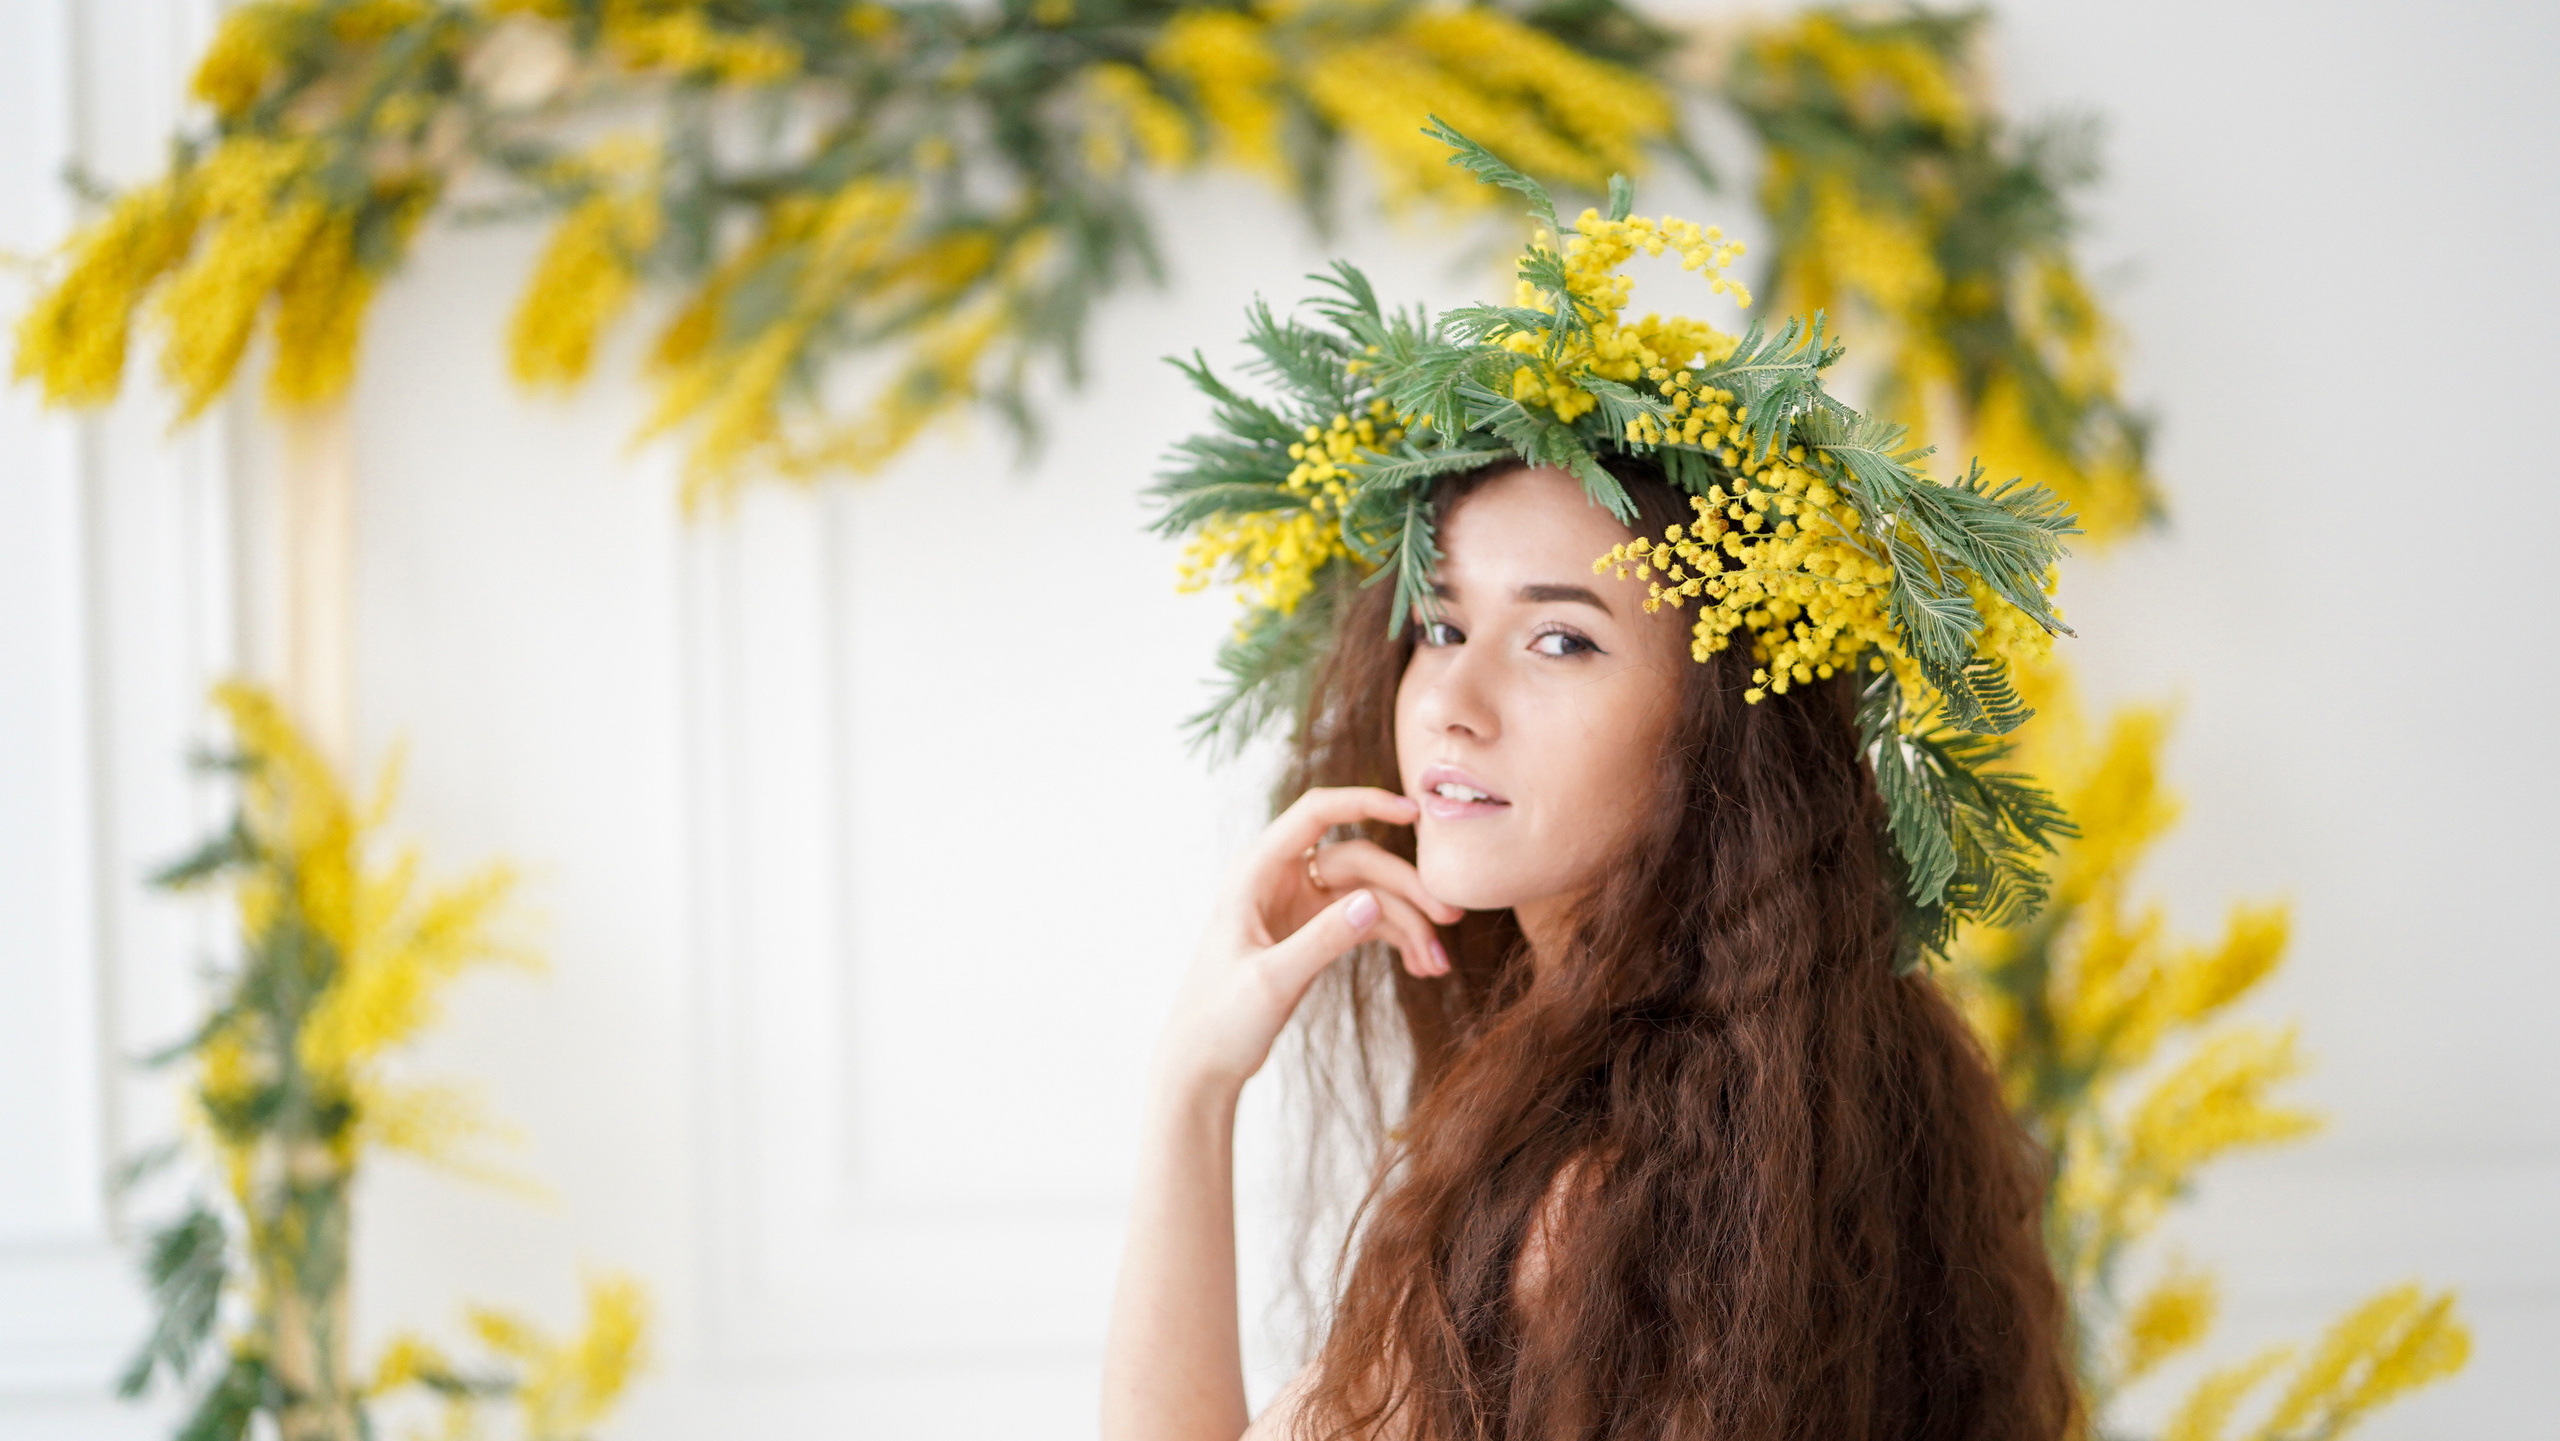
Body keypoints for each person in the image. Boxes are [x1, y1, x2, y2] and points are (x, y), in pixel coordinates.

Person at [1107, 127, 2079, 1441]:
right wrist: (1193, 1087)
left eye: (1560, 638)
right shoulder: (1804, 1094)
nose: (1454, 698)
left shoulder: (1596, 1202)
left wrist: (1189, 1095)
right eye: (1443, 625)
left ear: (1713, 726)